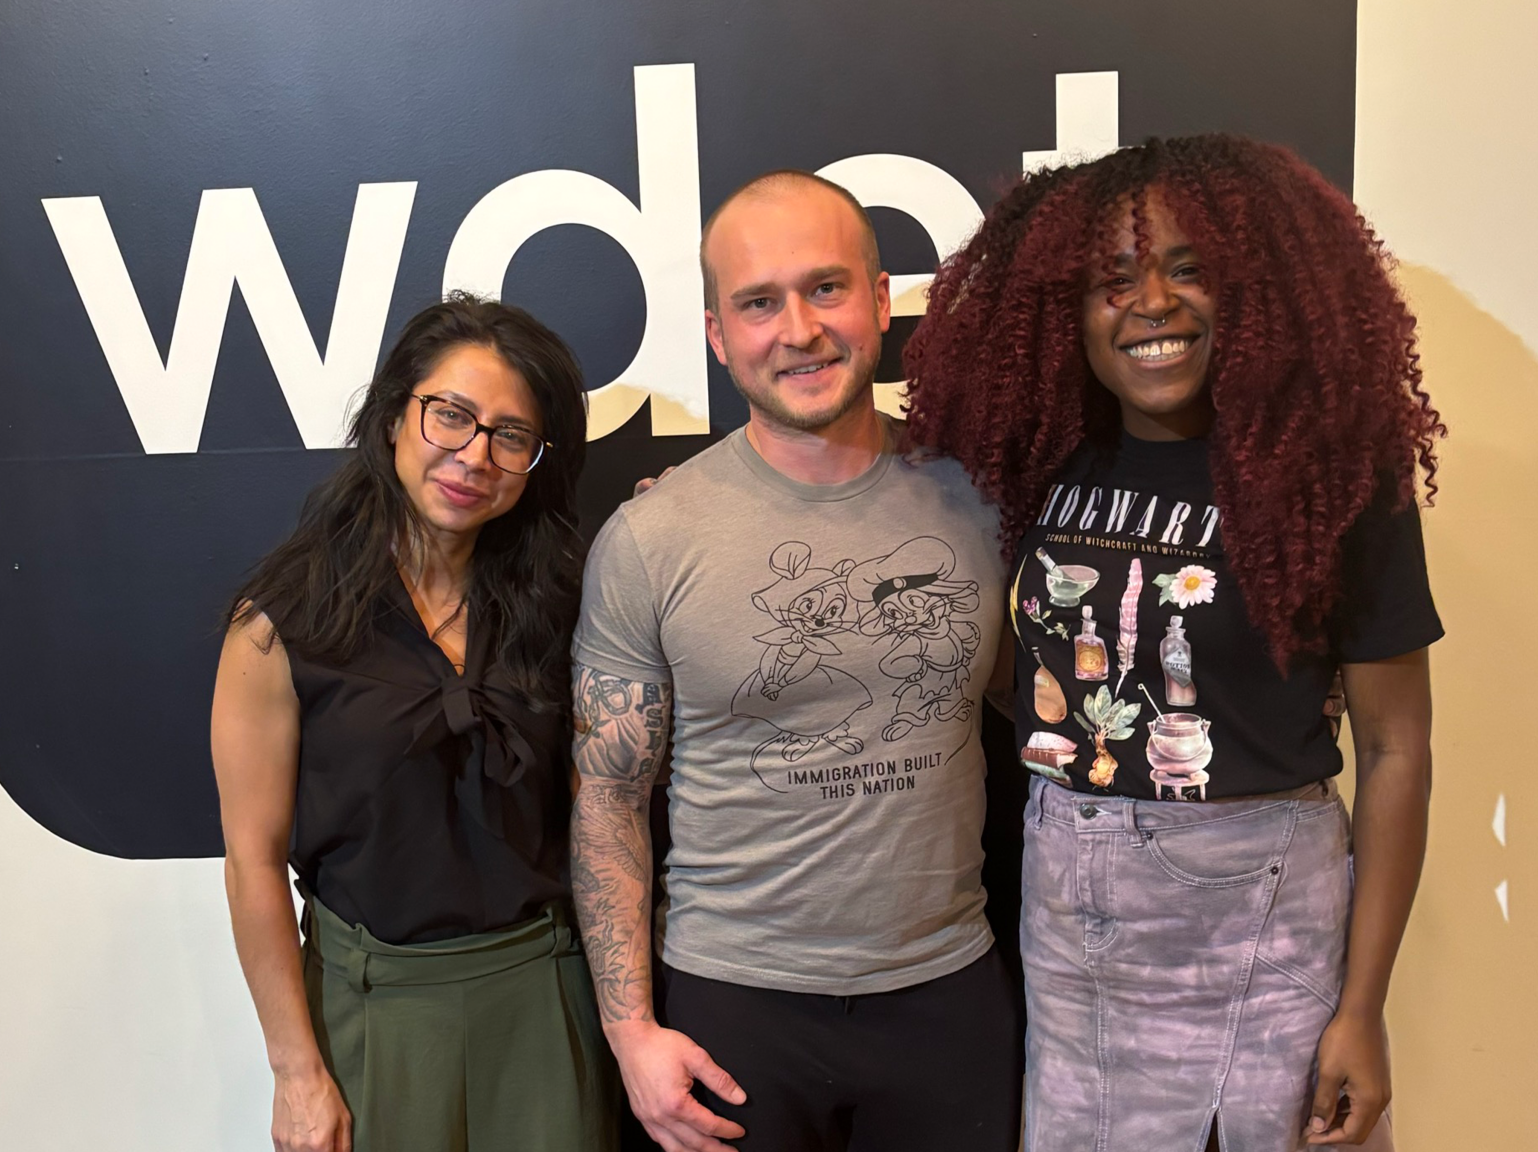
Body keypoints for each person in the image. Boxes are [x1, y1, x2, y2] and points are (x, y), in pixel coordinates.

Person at [903, 135, 1443, 1151]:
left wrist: (1363, 1008)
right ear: (1062, 311)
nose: (1149, 302)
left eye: (1186, 269)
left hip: (1263, 918)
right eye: (1111, 281)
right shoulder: (1030, 461)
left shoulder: (1329, 479)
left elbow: (1394, 750)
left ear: (1257, 290)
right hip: (1071, 910)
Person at [570, 171, 1023, 1152]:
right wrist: (629, 1031)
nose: (798, 329)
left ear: (879, 299)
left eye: (825, 288)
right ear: (716, 333)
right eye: (757, 302)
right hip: (733, 1010)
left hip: (945, 998)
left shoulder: (982, 502)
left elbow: (1047, 708)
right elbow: (608, 796)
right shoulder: (650, 538)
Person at [210, 293, 616, 1152]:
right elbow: (251, 864)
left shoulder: (565, 608)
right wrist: (295, 1073)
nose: (475, 455)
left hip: (544, 993)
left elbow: (601, 816)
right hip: (372, 1007)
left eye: (511, 436)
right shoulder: (278, 625)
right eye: (452, 417)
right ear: (396, 415)